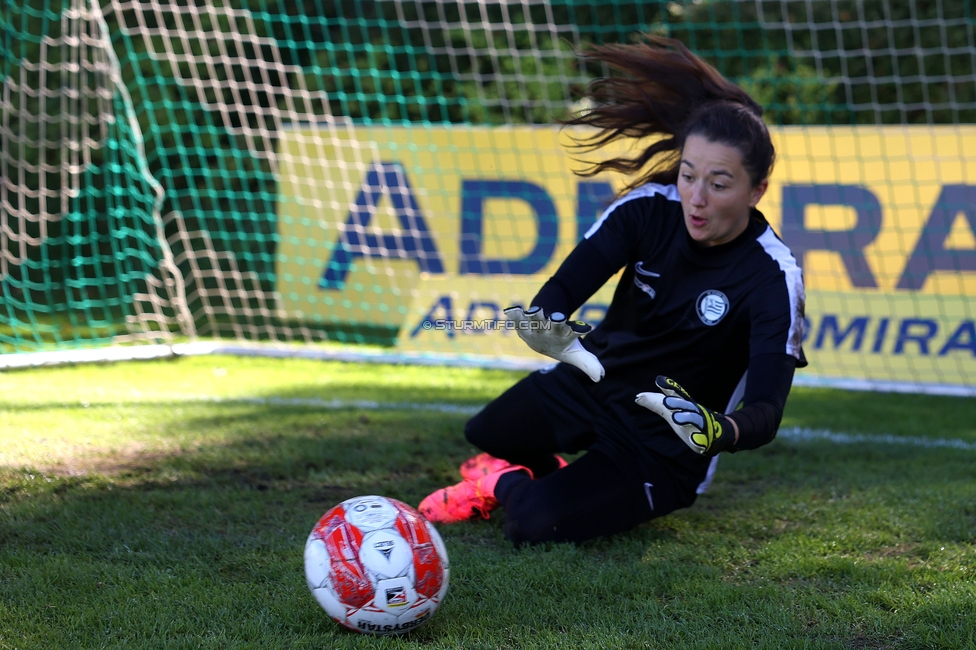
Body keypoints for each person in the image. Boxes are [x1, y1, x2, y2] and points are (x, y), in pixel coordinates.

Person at [418, 35, 806, 546]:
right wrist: (547, 327)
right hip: (596, 381)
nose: (696, 197)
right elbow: (561, 290)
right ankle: (555, 475)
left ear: (756, 190)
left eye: (719, 183)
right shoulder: (647, 209)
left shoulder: (773, 277)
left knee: (530, 523)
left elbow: (765, 411)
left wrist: (718, 430)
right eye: (688, 175)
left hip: (661, 444)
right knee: (487, 433)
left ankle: (504, 483)